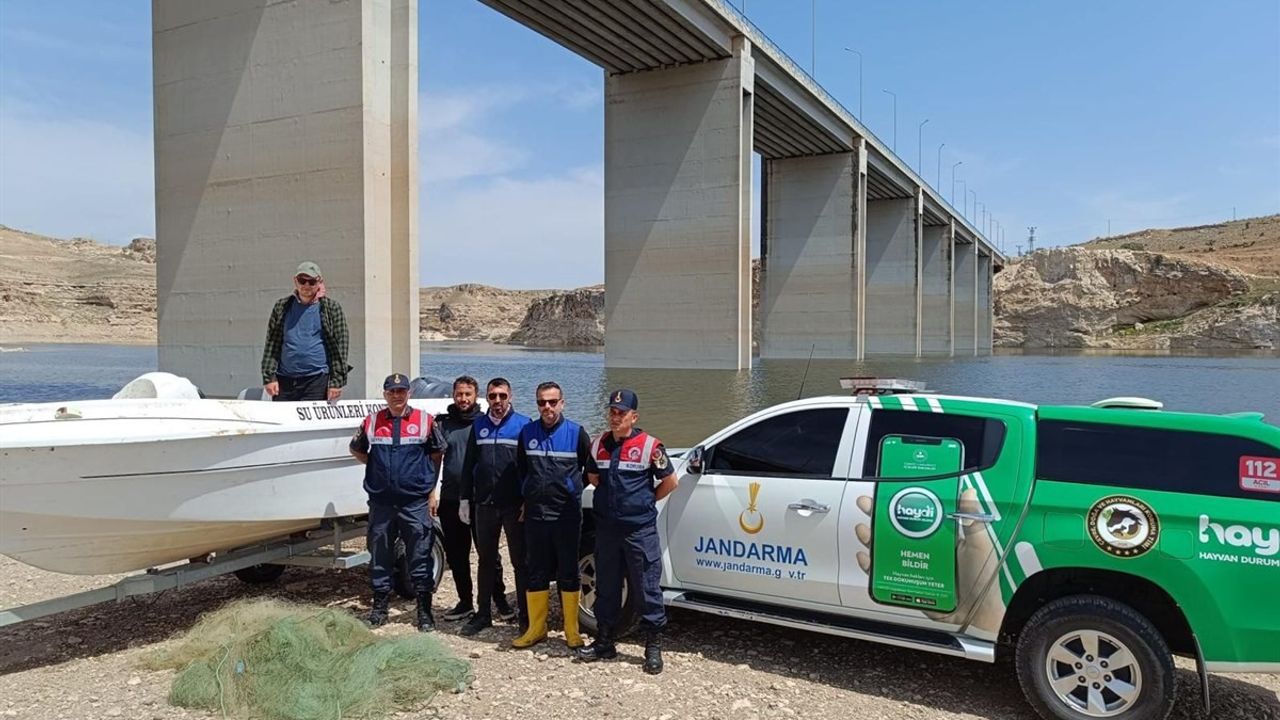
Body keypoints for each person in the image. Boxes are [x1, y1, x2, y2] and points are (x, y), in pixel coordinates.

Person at [575, 389, 678, 674]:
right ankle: (604, 641)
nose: (615, 417)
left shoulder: (650, 446)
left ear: (634, 417)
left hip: (638, 530)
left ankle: (652, 646)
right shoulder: (598, 444)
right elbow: (593, 477)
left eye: (621, 413)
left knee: (646, 588)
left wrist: (645, 502)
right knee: (606, 586)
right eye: (612, 411)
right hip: (607, 529)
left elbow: (670, 481)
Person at [349, 373, 446, 631]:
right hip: (381, 502)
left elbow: (437, 454)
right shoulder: (372, 421)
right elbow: (357, 449)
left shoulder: (425, 421)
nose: (396, 396)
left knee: (420, 555)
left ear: (408, 393)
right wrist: (377, 467)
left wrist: (431, 491)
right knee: (379, 555)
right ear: (385, 394)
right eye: (391, 391)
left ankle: (424, 613)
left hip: (414, 503)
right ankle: (379, 609)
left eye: (401, 391)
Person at [511, 381, 593, 649]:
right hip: (536, 514)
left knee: (569, 571)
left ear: (562, 403)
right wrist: (529, 492)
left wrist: (572, 489)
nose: (547, 407)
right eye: (541, 402)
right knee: (536, 570)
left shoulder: (577, 433)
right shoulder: (527, 433)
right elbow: (522, 468)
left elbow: (589, 470)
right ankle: (537, 629)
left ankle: (571, 630)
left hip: (566, 515)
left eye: (552, 402)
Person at [433, 375, 512, 622]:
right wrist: (431, 492)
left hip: (481, 500)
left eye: (468, 394)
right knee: (457, 555)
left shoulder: (485, 422)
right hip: (451, 497)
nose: (463, 398)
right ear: (453, 395)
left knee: (489, 554)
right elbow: (435, 460)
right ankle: (465, 602)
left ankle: (499, 600)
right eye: (459, 394)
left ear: (476, 396)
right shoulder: (443, 424)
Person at [458, 378, 530, 637]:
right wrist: (465, 499)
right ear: (486, 398)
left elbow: (531, 468)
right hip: (485, 504)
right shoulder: (479, 426)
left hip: (514, 506)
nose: (497, 401)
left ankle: (526, 617)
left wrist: (528, 500)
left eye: (502, 396)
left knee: (520, 562)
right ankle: (483, 614)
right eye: (492, 396)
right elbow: (469, 464)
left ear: (510, 396)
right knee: (486, 560)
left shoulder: (524, 425)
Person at [261, 261, 351, 402]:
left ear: (319, 282)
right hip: (284, 380)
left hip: (316, 380)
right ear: (295, 281)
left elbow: (341, 347)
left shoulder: (331, 308)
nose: (306, 285)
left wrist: (336, 381)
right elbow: (272, 345)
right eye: (302, 280)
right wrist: (269, 377)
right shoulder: (281, 307)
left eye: (312, 281)